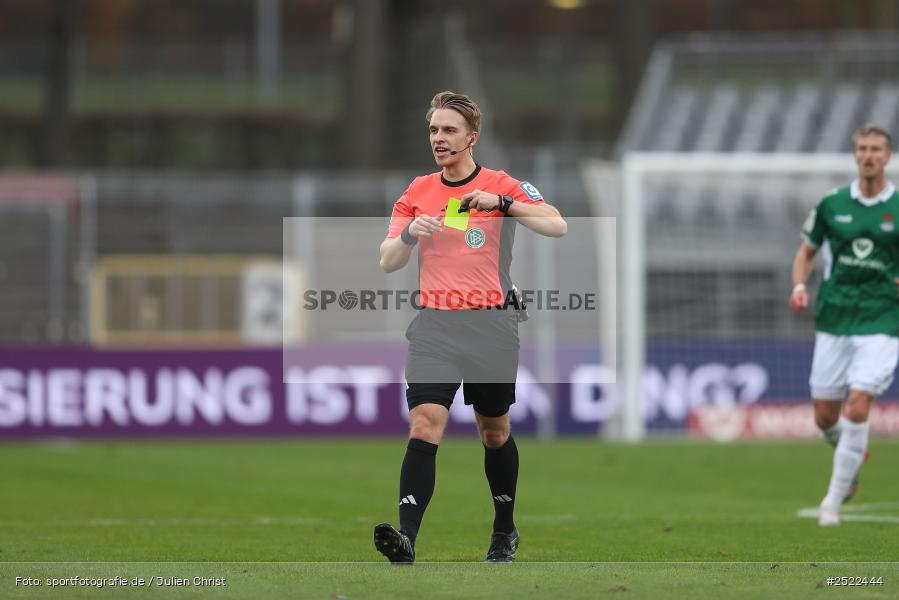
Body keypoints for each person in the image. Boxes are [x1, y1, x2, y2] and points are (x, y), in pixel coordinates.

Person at [374, 91, 566, 562]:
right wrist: (407, 234)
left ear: (471, 138)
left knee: (494, 431)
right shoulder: (416, 192)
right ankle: (407, 540)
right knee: (425, 423)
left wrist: (502, 203)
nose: (438, 139)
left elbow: (557, 224)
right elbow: (387, 261)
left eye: (448, 131)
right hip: (435, 328)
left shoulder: (503, 184)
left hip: (491, 328)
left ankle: (504, 531)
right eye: (434, 130)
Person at [789, 124, 898, 526]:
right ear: (856, 156)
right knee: (824, 417)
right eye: (863, 149)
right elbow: (806, 253)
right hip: (835, 316)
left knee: (857, 406)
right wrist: (800, 285)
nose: (869, 155)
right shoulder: (832, 205)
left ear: (887, 157)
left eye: (877, 149)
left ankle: (831, 503)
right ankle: (852, 453)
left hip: (883, 318)